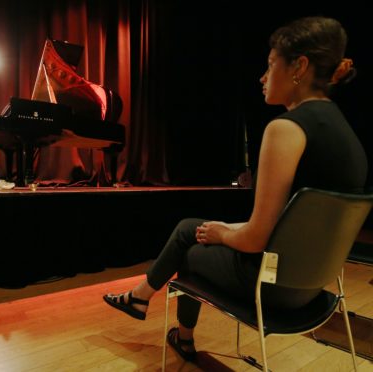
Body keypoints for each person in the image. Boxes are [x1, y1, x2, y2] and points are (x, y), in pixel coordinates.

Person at [103, 16, 368, 362]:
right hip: (314, 288)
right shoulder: (349, 137)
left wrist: (220, 233)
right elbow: (288, 226)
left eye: (271, 64)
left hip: (272, 287)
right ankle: (143, 299)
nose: (262, 76)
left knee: (191, 240)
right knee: (193, 228)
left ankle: (174, 329)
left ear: (299, 67)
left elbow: (257, 239)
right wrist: (225, 230)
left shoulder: (286, 129)